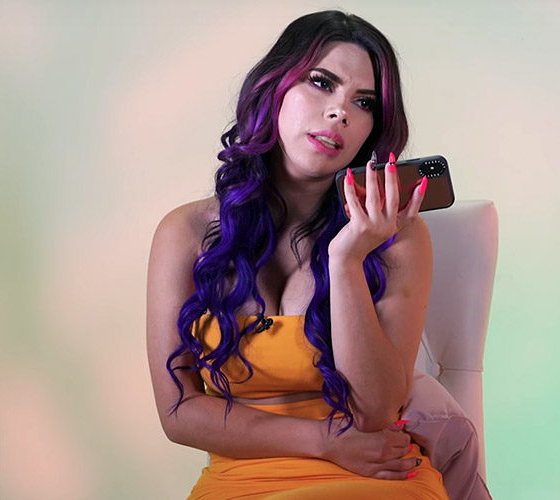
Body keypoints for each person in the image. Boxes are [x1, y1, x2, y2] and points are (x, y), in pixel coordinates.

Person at [147, 10, 487, 500]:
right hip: (241, 482)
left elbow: (375, 410)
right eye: (322, 83)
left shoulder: (399, 237)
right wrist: (325, 442)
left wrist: (346, 261)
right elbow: (178, 411)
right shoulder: (185, 233)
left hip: (377, 473)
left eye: (363, 102)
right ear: (274, 87)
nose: (340, 112)